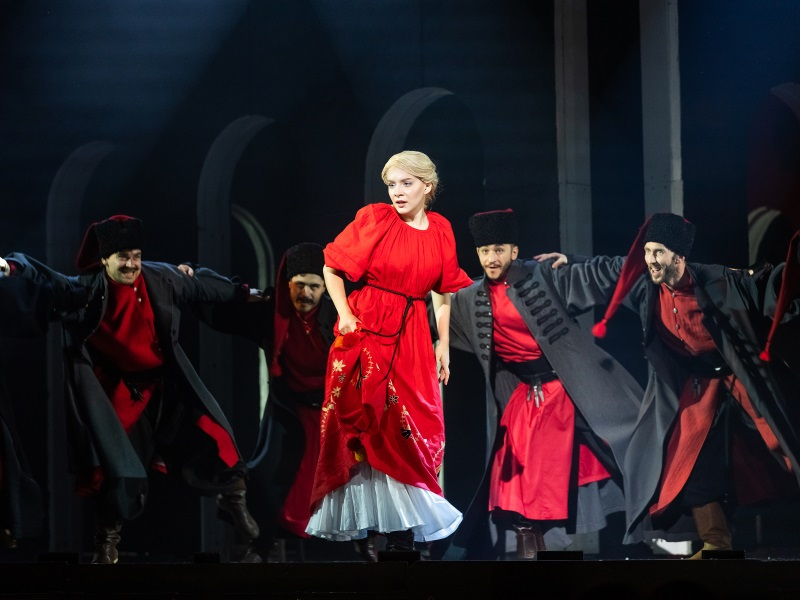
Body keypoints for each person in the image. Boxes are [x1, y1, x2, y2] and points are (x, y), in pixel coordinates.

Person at [0, 214, 261, 564]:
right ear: (104, 259)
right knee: (118, 470)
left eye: (136, 256)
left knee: (214, 439)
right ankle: (107, 543)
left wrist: (244, 292)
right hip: (120, 392)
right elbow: (48, 279)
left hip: (166, 387)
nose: (131, 264)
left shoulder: (162, 277)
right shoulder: (87, 289)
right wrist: (11, 266)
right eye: (123, 257)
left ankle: (234, 503)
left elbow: (201, 286)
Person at [592, 212, 800, 559]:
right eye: (647, 252)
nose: (650, 260)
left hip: (740, 377)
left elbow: (768, 284)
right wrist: (566, 261)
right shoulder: (647, 288)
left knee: (783, 446)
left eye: (658, 252)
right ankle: (717, 545)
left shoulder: (716, 280)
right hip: (701, 387)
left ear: (679, 256)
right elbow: (607, 269)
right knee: (691, 463)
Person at [442, 209, 644, 560]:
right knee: (511, 484)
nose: (492, 258)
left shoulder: (544, 275)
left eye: (499, 250)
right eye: (485, 251)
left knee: (542, 479)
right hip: (522, 397)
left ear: (514, 251)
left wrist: (576, 260)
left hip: (561, 391)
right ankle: (532, 562)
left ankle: (550, 559)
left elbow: (613, 272)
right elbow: (429, 313)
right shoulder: (468, 296)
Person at [305, 150, 474, 555]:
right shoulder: (376, 219)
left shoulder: (441, 229)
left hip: (412, 335)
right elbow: (331, 267)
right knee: (368, 423)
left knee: (412, 426)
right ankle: (371, 533)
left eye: (406, 183)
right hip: (366, 330)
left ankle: (403, 532)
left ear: (427, 187)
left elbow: (443, 292)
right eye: (392, 184)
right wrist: (345, 314)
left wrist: (443, 343)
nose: (397, 192)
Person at [193, 242, 341, 561]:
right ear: (287, 284)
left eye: (314, 286)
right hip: (290, 410)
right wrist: (192, 278)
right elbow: (223, 313)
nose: (305, 293)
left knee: (352, 483)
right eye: (298, 284)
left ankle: (361, 554)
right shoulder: (274, 314)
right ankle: (260, 547)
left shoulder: (338, 316)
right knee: (268, 479)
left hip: (333, 414)